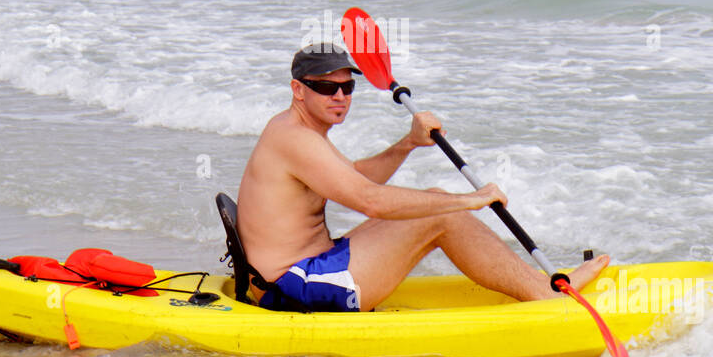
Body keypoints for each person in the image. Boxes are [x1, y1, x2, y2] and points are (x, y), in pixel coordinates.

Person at [235, 44, 610, 311]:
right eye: (326, 87)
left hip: (307, 270)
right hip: (292, 289)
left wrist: (408, 144)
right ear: (298, 90)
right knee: (441, 214)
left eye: (348, 87)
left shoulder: (298, 132)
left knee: (434, 201)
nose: (340, 96)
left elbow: (356, 177)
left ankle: (533, 283)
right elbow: (370, 200)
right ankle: (546, 293)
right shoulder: (295, 139)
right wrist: (466, 202)